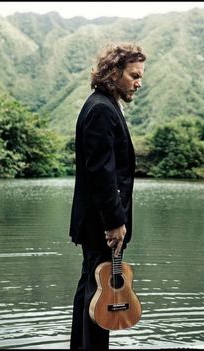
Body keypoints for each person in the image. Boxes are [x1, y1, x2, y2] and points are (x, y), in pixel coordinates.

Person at [69, 43, 146, 350]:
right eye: (134, 75)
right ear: (114, 73)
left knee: (91, 287)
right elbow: (102, 174)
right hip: (102, 223)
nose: (139, 82)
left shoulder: (103, 104)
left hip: (96, 220)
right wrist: (115, 222)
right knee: (100, 294)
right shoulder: (101, 108)